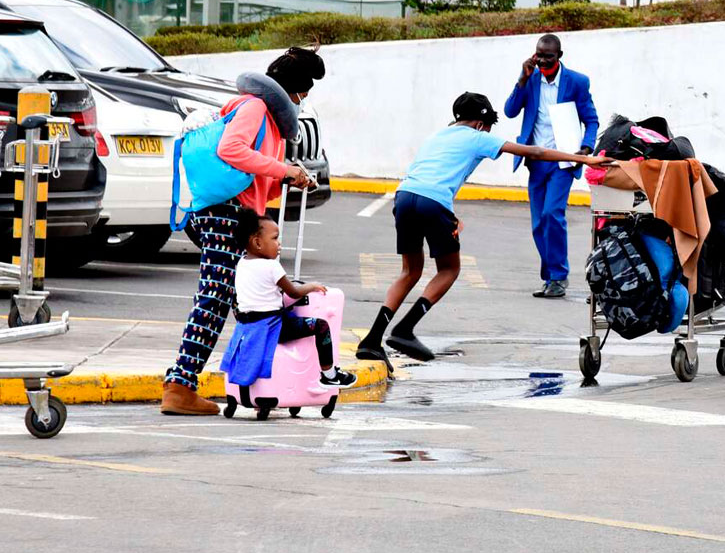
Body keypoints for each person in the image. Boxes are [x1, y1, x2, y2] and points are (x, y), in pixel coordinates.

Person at [355, 93, 607, 364]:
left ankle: (372, 340)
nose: (488, 132)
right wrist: (584, 160)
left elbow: (431, 175)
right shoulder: (477, 137)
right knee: (449, 269)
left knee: (409, 271)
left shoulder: (437, 136)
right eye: (487, 126)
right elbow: (535, 151)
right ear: (479, 124)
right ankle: (404, 329)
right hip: (433, 202)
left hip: (405, 196)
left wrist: (447, 213)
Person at [161, 47, 323, 415]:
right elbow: (230, 149)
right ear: (291, 89)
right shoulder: (254, 107)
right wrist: (283, 170)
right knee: (215, 302)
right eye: (303, 91)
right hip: (225, 215)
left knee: (249, 305)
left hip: (235, 215)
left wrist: (288, 174)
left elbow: (255, 164)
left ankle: (263, 383)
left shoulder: (263, 113)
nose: (304, 99)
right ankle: (180, 387)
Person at [503, 34, 599, 299]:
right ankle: (550, 277)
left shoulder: (577, 82)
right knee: (538, 224)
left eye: (549, 56)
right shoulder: (530, 79)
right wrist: (522, 79)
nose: (543, 60)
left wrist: (586, 147)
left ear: (560, 56)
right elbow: (510, 111)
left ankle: (558, 276)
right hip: (535, 160)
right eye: (539, 55)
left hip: (563, 160)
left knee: (552, 214)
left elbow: (591, 120)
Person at [221, 209, 356, 388]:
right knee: (321, 326)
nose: (279, 244)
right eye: (275, 238)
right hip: (274, 327)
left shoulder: (242, 263)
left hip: (249, 327)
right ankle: (329, 374)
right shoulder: (271, 267)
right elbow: (293, 292)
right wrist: (311, 286)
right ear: (257, 242)